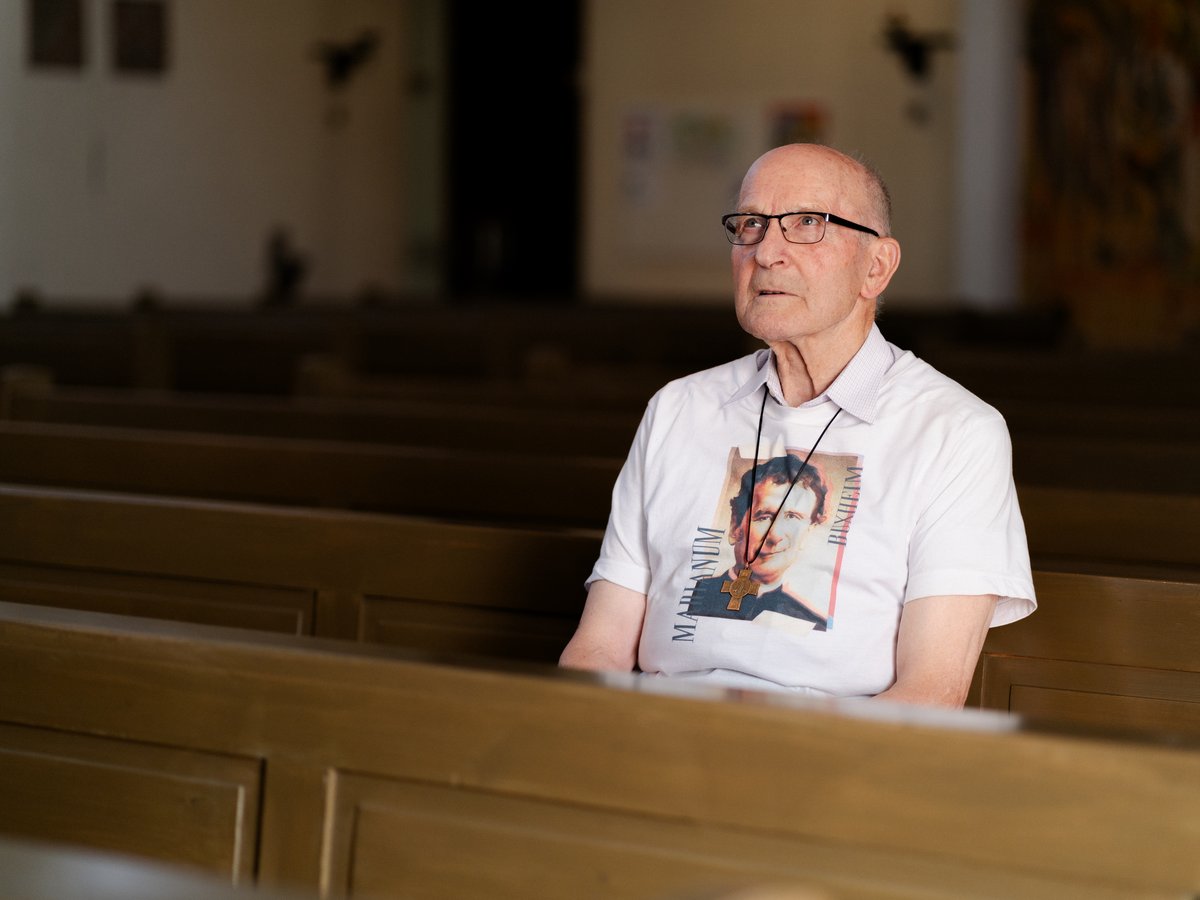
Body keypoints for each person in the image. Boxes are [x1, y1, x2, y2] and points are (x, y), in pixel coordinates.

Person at [560, 143, 1036, 706]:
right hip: (659, 741)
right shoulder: (679, 409)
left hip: (827, 760)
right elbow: (598, 650)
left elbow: (930, 692)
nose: (766, 253)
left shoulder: (955, 432)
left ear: (876, 267)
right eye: (752, 225)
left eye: (807, 223)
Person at [687, 454, 829, 631]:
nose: (775, 535)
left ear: (808, 531)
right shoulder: (690, 597)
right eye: (764, 517)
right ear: (735, 525)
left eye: (792, 517)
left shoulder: (814, 625)